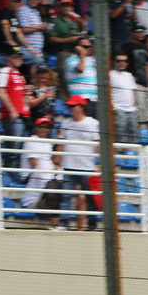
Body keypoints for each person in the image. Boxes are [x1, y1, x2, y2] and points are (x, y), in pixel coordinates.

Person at [56, 94, 99, 231]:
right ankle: (64, 223)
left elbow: (97, 145)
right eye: (69, 106)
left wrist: (98, 164)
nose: (70, 108)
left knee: (90, 198)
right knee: (66, 196)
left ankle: (91, 224)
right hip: (68, 165)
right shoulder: (65, 124)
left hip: (87, 166)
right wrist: (57, 163)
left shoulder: (92, 123)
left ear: (81, 107)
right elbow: (61, 145)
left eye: (72, 106)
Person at [21, 117, 64, 229]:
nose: (44, 129)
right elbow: (34, 163)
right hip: (34, 177)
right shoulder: (31, 140)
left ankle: (56, 222)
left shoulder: (48, 143)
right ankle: (55, 224)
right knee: (52, 184)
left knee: (58, 179)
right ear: (36, 127)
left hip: (45, 178)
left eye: (47, 127)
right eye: (41, 126)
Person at [0, 47, 29, 170]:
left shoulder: (19, 75)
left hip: (22, 116)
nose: (19, 59)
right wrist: (12, 110)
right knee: (14, 149)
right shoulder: (5, 71)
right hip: (13, 116)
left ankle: (15, 175)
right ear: (8, 58)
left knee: (19, 149)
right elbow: (0, 92)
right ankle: (11, 175)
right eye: (16, 56)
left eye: (20, 56)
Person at [63, 37, 97, 118]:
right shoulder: (70, 60)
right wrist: (82, 55)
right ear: (77, 47)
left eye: (89, 47)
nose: (87, 49)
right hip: (81, 99)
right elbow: (80, 69)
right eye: (84, 47)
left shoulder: (91, 59)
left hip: (94, 98)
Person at [110, 52, 138, 144]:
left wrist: (134, 106)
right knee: (120, 137)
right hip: (118, 109)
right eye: (119, 61)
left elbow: (133, 92)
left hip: (132, 110)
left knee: (133, 137)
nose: (122, 63)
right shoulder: (110, 75)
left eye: (125, 61)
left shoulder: (129, 75)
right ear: (114, 62)